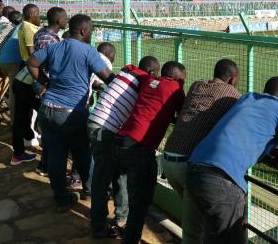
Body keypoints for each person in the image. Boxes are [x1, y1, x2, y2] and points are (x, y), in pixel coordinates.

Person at [187, 76, 278, 244]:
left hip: (195, 169)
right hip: (220, 180)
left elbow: (244, 132)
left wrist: (271, 153)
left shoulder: (248, 98)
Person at [28, 14, 113, 212]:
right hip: (71, 113)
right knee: (83, 155)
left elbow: (31, 62)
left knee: (57, 156)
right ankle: (91, 191)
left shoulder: (55, 46)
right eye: (90, 30)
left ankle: (61, 198)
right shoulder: (88, 51)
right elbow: (108, 78)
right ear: (84, 31)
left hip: (47, 109)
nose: (91, 33)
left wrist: (46, 83)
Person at [163, 59, 241, 244]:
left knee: (197, 224)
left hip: (168, 160)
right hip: (190, 166)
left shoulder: (197, 85)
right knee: (196, 231)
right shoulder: (233, 95)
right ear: (232, 79)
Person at [89, 56, 161, 238]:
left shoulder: (126, 73)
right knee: (102, 178)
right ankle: (99, 226)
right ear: (152, 72)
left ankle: (121, 218)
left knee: (119, 174)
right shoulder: (143, 82)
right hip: (105, 129)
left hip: (100, 125)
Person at [115, 61, 186, 244]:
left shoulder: (149, 81)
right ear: (177, 78)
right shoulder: (176, 89)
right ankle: (130, 239)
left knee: (124, 186)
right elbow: (185, 116)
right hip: (139, 147)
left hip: (121, 139)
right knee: (140, 200)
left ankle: (120, 221)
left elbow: (132, 68)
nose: (183, 84)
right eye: (183, 81)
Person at [10, 7, 67, 166]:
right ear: (58, 20)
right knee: (49, 121)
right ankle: (47, 162)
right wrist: (46, 84)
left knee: (21, 118)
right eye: (65, 18)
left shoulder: (41, 33)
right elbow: (43, 66)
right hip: (31, 83)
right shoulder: (49, 40)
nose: (66, 21)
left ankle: (18, 154)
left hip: (22, 80)